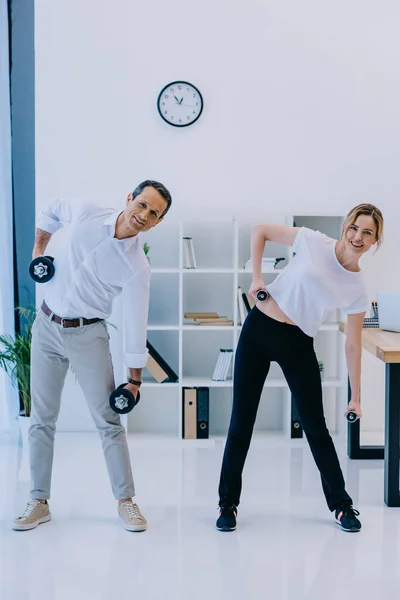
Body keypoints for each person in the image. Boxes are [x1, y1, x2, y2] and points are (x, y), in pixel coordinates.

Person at [13, 180, 172, 532]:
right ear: (129, 198)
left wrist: (134, 381)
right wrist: (39, 250)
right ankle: (38, 502)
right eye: (143, 204)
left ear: (157, 223)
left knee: (108, 422)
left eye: (153, 213)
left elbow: (136, 327)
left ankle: (126, 502)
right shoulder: (86, 212)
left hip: (89, 334)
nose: (144, 215)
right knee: (41, 419)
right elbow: (51, 209)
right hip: (47, 326)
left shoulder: (136, 267)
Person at [216, 203, 384, 533]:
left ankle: (341, 505)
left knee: (316, 427)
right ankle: (227, 504)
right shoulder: (312, 241)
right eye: (354, 227)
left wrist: (356, 396)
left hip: (298, 343)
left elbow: (352, 344)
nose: (357, 237)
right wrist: (257, 279)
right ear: (345, 226)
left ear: (376, 241)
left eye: (367, 233)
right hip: (260, 329)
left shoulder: (357, 288)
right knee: (242, 422)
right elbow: (259, 230)